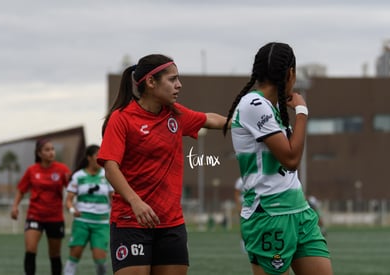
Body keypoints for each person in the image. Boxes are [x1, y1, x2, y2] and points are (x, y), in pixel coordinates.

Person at [97, 54, 227, 275]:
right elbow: (110, 167)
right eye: (173, 79)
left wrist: (253, 123)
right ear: (150, 82)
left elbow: (210, 120)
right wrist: (136, 202)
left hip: (171, 224)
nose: (179, 85)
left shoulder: (175, 115)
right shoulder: (122, 118)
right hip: (131, 223)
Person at [223, 42, 333, 275]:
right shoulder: (254, 105)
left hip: (300, 212)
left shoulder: (271, 108)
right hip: (269, 217)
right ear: (290, 73)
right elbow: (291, 158)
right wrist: (302, 112)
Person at [11, 138, 71, 275]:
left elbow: (72, 189)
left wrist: (70, 201)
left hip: (55, 217)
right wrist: (15, 206)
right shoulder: (32, 170)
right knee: (30, 249)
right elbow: (21, 190)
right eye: (47, 150)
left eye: (52, 149)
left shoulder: (62, 169)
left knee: (55, 254)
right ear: (39, 153)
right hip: (35, 215)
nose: (51, 152)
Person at [63, 144, 114, 275]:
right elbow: (68, 200)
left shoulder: (106, 175)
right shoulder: (78, 176)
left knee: (100, 259)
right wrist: (73, 211)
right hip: (82, 222)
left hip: (101, 223)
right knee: (74, 256)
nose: (100, 158)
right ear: (89, 158)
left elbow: (113, 199)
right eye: (97, 155)